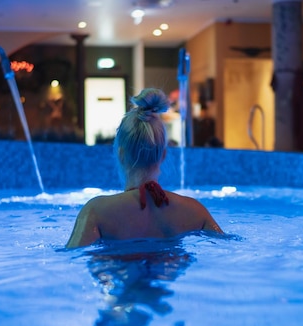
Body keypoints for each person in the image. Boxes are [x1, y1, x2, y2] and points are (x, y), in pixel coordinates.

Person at [66, 87, 223, 248]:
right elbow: (226, 249)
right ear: (163, 155)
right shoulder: (195, 211)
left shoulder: (95, 212)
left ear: (121, 154)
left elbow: (71, 260)